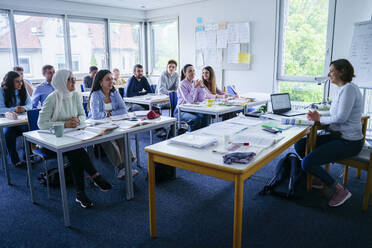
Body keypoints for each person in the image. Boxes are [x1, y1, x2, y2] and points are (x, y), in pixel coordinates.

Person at [38, 69, 112, 209]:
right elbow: (41, 124)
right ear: (61, 82)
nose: (74, 82)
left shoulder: (75, 96)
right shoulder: (52, 98)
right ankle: (94, 176)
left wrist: (78, 120)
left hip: (72, 137)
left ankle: (81, 193)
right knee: (75, 151)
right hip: (52, 142)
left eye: (73, 79)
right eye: (70, 79)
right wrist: (64, 124)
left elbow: (83, 115)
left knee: (75, 151)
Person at [294, 59, 364, 207]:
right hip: (338, 136)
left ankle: (339, 190)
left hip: (349, 142)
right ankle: (318, 178)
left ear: (342, 71)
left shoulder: (349, 89)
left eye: (332, 70)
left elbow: (341, 118)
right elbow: (336, 117)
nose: (329, 74)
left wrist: (320, 118)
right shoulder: (342, 89)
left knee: (307, 163)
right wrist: (320, 119)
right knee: (300, 145)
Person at [88, 69, 138, 179]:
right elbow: (95, 116)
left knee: (122, 136)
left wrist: (108, 114)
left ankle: (127, 166)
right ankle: (120, 168)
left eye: (111, 79)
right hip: (97, 125)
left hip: (114, 123)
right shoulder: (95, 95)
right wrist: (111, 115)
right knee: (109, 139)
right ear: (100, 82)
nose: (111, 81)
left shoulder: (114, 93)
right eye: (107, 79)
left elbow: (124, 110)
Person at [0, 71, 32, 167]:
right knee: (8, 133)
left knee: (29, 129)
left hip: (21, 121)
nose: (20, 84)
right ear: (10, 82)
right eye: (17, 82)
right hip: (9, 122)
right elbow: (0, 108)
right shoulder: (1, 91)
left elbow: (30, 104)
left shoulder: (23, 89)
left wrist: (24, 108)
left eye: (21, 81)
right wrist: (14, 109)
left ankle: (28, 157)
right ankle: (15, 160)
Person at [175, 64, 208, 131]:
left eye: (193, 71)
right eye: (190, 71)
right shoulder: (182, 84)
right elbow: (190, 101)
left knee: (206, 115)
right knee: (195, 119)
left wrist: (201, 88)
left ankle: (203, 136)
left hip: (193, 109)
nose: (192, 73)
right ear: (185, 73)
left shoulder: (196, 82)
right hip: (181, 111)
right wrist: (195, 87)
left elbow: (201, 100)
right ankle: (192, 138)